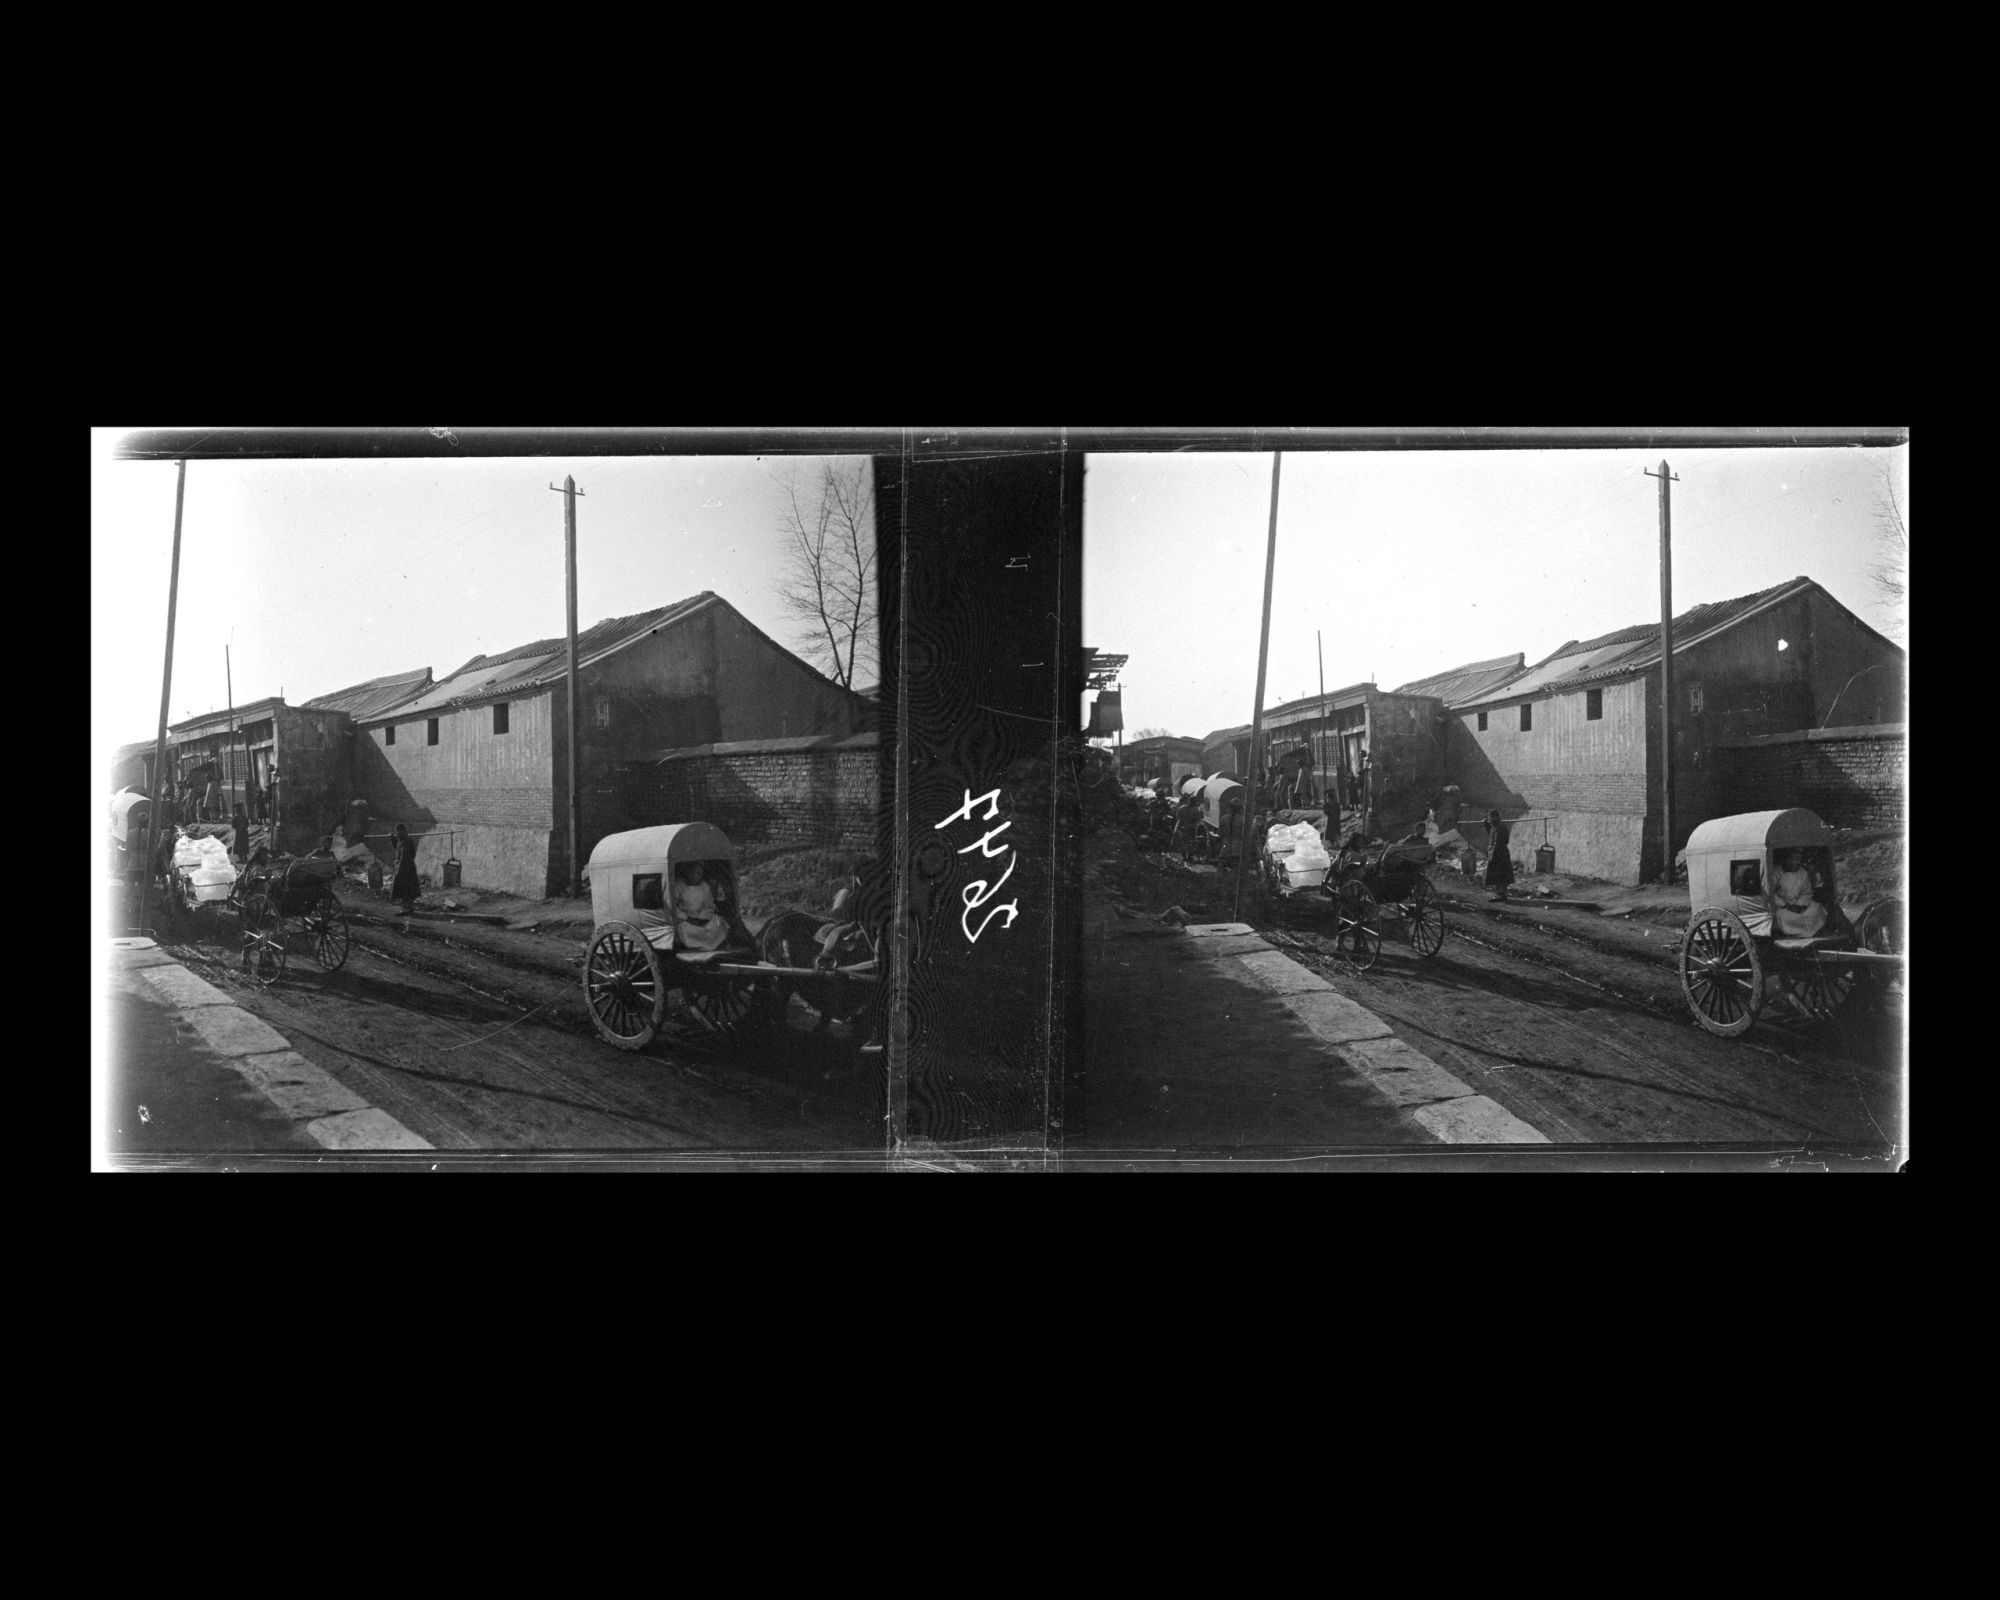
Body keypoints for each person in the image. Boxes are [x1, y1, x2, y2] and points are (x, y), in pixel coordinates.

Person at [1771, 846, 1829, 937]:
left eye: (1797, 860)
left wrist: (1798, 905)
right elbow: (1770, 893)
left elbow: (1807, 893)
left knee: (1817, 907)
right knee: (1781, 917)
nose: (1794, 862)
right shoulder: (1776, 871)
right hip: (1781, 907)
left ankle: (1805, 931)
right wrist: (1786, 905)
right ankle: (1799, 932)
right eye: (1791, 859)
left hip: (1797, 905)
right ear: (1785, 858)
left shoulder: (1803, 873)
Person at [672, 859, 728, 951]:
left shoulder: (705, 886)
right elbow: (673, 905)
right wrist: (687, 918)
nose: (694, 876)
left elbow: (709, 905)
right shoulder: (679, 885)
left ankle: (710, 945)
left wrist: (701, 918)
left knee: (718, 922)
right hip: (685, 919)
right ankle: (694, 946)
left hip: (701, 919)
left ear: (702, 875)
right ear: (686, 873)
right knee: (682, 929)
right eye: (692, 873)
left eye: (698, 874)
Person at [1484, 809, 1515, 901]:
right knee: (1498, 874)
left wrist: (1493, 855)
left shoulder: (1500, 827)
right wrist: (1487, 826)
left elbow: (1497, 842)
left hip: (1500, 853)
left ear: (1495, 817)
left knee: (1501, 874)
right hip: (1498, 852)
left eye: (1490, 817)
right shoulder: (1496, 826)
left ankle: (1501, 894)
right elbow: (1492, 835)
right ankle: (1500, 894)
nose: (1489, 819)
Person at [391, 822, 420, 916]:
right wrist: (393, 841)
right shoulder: (402, 841)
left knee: (406, 888)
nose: (397, 834)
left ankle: (407, 908)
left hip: (406, 868)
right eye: (396, 833)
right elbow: (398, 849)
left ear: (402, 831)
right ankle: (408, 907)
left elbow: (404, 856)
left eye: (398, 832)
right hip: (406, 867)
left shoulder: (406, 842)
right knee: (407, 888)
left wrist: (399, 868)